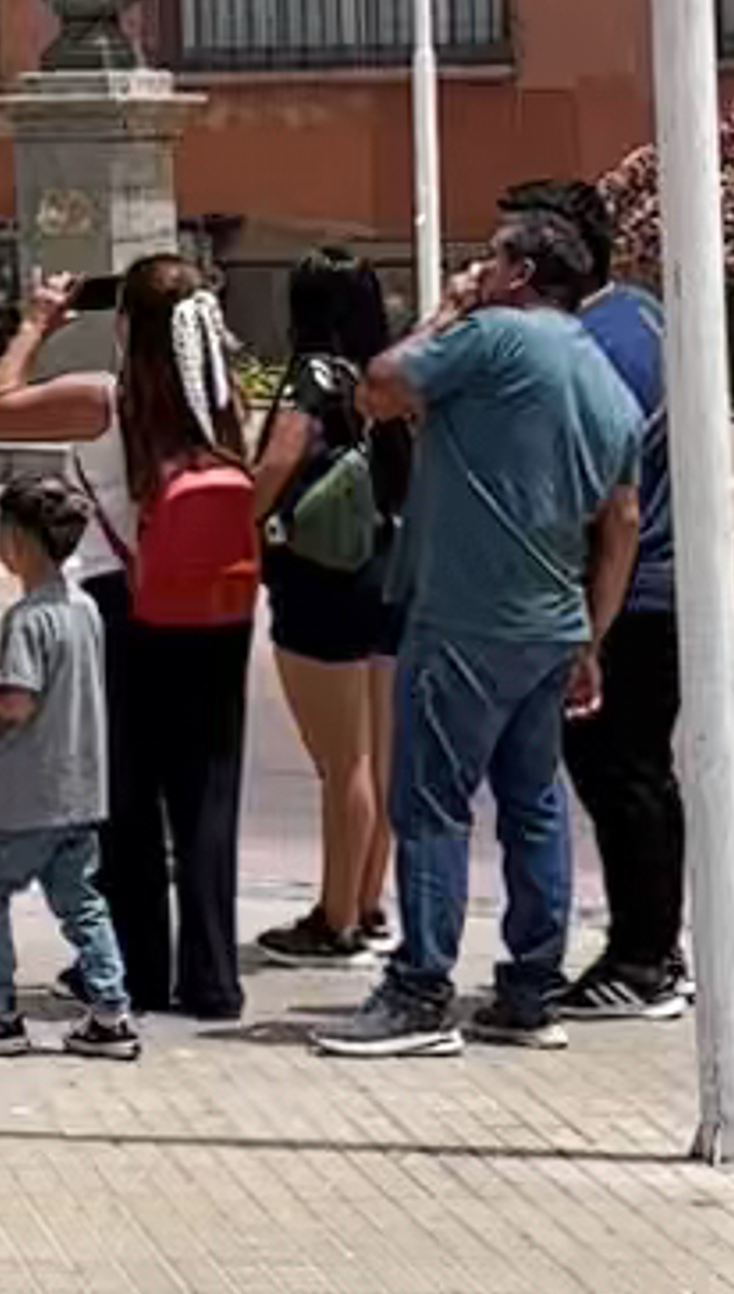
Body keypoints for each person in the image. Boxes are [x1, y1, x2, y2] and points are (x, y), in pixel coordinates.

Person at [318, 205, 641, 1060]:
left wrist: (448, 308)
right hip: (551, 623)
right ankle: (529, 989)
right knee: (533, 806)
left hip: (464, 617)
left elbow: (377, 387)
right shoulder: (605, 378)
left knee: (430, 803)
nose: (478, 268)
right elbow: (622, 521)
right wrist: (591, 638)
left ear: (521, 274)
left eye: (490, 258)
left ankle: (420, 989)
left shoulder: (495, 334)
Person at [0, 247, 258, 1018]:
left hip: (124, 604)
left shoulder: (106, 398)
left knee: (128, 790)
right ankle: (212, 976)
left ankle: (139, 962)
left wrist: (36, 322)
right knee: (208, 790)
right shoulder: (224, 403)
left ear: (128, 324)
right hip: (217, 608)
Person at [501, 173, 685, 1017]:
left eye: (509, 248)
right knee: (637, 771)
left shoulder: (594, 348)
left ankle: (643, 959)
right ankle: (654, 947)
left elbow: (597, 498)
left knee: (621, 772)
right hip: (654, 582)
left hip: (626, 592)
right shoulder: (639, 314)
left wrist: (583, 628)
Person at [0, 466, 139, 1055]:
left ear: (18, 543)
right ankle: (109, 1011)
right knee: (81, 900)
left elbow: (20, 703)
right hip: (80, 789)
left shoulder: (26, 617)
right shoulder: (83, 607)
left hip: (25, 795)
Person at [247, 247, 409, 966]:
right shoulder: (388, 375)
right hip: (386, 568)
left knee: (341, 760)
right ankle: (369, 900)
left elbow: (281, 456)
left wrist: (239, 519)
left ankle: (334, 917)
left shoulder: (312, 373)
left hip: (320, 576)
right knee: (375, 753)